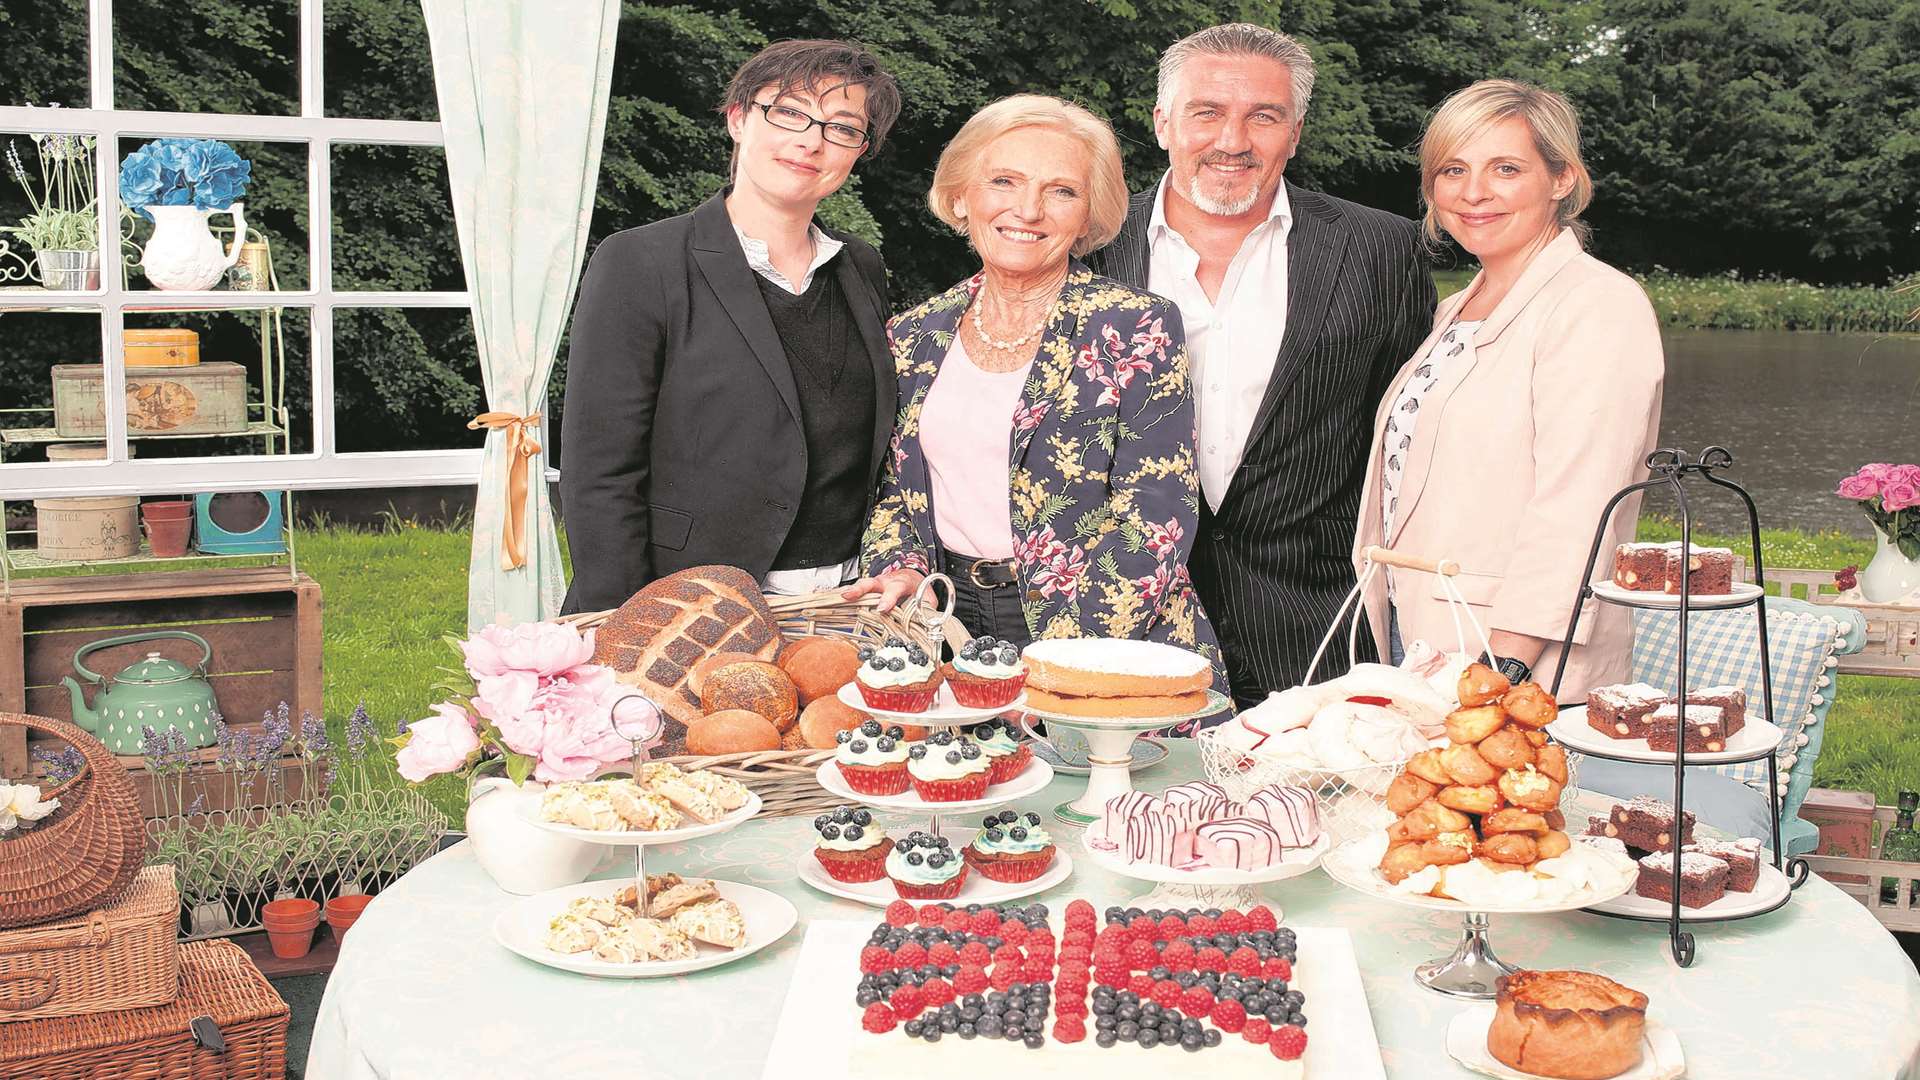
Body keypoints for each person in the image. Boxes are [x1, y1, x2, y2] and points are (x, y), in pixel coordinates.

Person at [1095, 24, 1437, 710]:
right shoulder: (1089, 245)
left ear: (1296, 130)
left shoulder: (1382, 250)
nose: (1232, 140)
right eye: (1207, 113)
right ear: (1162, 122)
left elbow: (1409, 440)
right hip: (1126, 627)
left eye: (1263, 116)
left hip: (1318, 628)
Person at [844, 94, 1226, 704]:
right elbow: (896, 485)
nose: (1028, 209)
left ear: (1088, 216)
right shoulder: (913, 334)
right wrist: (901, 566)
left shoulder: (1134, 325)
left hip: (1100, 631)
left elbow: (1158, 510)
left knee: (1099, 798)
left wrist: (1062, 663)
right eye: (1004, 181)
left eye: (1061, 191)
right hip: (944, 625)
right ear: (964, 196)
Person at [558, 40, 902, 613]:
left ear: (857, 152)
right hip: (689, 600)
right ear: (739, 119)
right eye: (790, 112)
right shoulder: (641, 262)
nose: (810, 141)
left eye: (842, 128)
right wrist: (624, 620)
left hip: (850, 602)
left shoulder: (860, 266)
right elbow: (600, 470)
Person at [1352, 79, 1664, 699]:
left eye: (1506, 168)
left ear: (1561, 179)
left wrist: (1504, 666)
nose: (1474, 193)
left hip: (1516, 665)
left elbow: (1580, 504)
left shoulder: (1597, 304)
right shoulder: (1457, 309)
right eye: (1453, 170)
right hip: (1424, 639)